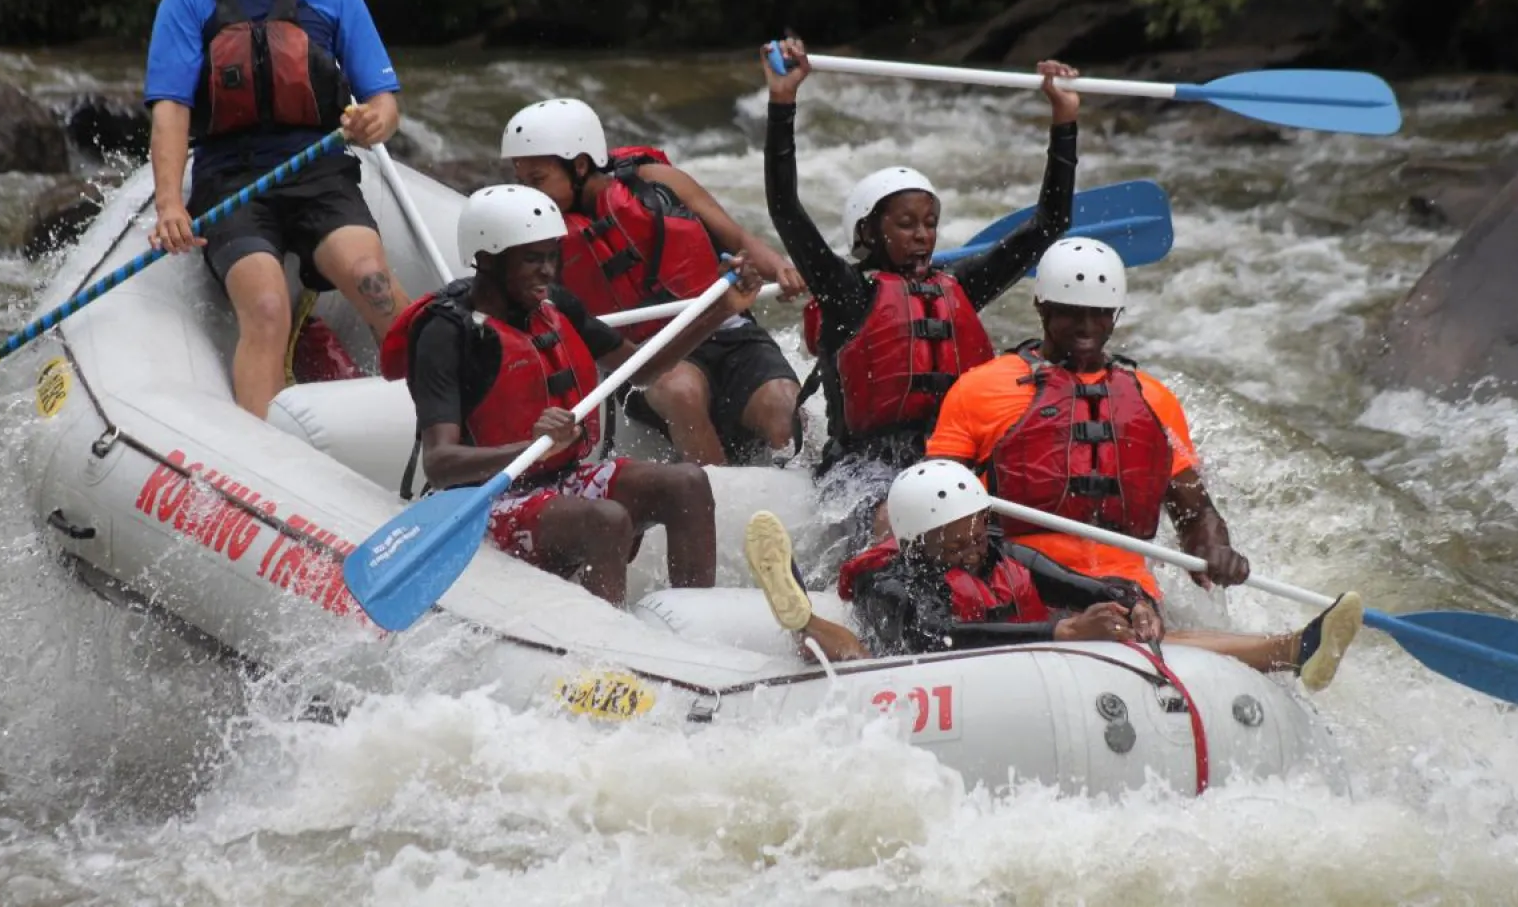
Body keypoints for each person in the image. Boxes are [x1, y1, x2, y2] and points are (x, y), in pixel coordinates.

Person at [761, 37, 1081, 553]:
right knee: (897, 518)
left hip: (950, 459)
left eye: (930, 223)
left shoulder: (957, 289)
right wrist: (782, 102)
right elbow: (785, 209)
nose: (922, 235)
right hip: (864, 471)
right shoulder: (848, 294)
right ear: (868, 233)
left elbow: (1051, 224)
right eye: (906, 224)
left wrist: (1063, 119)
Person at [384, 184, 766, 604]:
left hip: (559, 481)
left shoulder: (554, 305)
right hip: (481, 503)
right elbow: (440, 466)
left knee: (687, 484)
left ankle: (698, 628)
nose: (548, 271)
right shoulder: (447, 333)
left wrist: (721, 311)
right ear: (488, 259)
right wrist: (529, 448)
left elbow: (641, 371)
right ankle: (607, 654)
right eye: (533, 259)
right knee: (606, 520)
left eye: (552, 256)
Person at [144, 0, 410, 418]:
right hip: (232, 183)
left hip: (319, 174)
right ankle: (264, 463)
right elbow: (170, 111)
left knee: (374, 282)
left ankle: (450, 428)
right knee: (267, 305)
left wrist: (374, 121)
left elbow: (385, 101)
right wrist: (169, 203)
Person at [744, 460, 1363, 690]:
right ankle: (804, 615)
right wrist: (1061, 633)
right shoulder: (890, 580)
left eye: (973, 535)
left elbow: (1095, 589)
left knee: (1142, 635)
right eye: (952, 545)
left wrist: (1134, 603)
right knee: (850, 661)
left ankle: (1291, 650)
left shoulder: (997, 552)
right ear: (915, 541)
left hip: (1024, 662)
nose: (969, 552)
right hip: (907, 670)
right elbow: (933, 638)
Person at [926, 235, 1250, 603]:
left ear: (1115, 314)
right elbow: (931, 498)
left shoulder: (1154, 400)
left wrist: (1214, 547)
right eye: (1070, 311)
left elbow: (1194, 513)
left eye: (1099, 313)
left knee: (1129, 612)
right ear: (1041, 306)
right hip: (1014, 585)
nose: (1086, 326)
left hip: (1127, 593)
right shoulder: (980, 389)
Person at [501, 98, 807, 466]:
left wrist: (780, 268)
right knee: (681, 391)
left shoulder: (657, 183)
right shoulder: (538, 238)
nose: (529, 194)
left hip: (729, 333)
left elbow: (737, 239)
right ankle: (724, 500)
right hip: (646, 357)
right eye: (522, 182)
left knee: (784, 404)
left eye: (538, 180)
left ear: (580, 165)